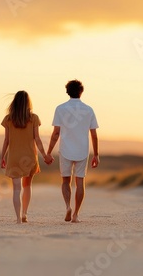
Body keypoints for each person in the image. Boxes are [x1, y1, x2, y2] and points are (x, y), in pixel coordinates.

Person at [47, 80, 99, 223]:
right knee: (80, 181)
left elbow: (56, 133)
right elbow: (93, 134)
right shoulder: (89, 110)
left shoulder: (60, 108)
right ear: (81, 92)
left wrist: (48, 152)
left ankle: (67, 207)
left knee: (66, 181)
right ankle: (76, 214)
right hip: (82, 150)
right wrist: (96, 154)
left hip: (65, 150)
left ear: (67, 91)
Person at [1, 91, 54, 224]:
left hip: (13, 157)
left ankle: (18, 218)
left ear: (15, 102)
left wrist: (2, 157)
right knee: (27, 186)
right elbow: (37, 139)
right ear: (28, 102)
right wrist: (44, 155)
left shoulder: (8, 119)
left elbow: (6, 140)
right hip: (29, 157)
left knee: (16, 188)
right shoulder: (33, 118)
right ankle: (24, 213)